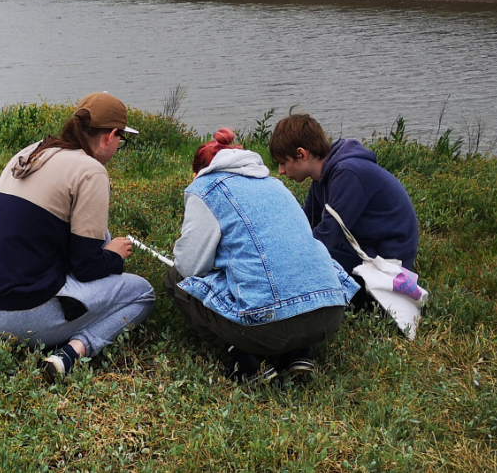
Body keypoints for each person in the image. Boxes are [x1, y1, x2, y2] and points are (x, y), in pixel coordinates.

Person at [0, 92, 155, 382]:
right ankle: (72, 353)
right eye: (121, 139)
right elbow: (86, 267)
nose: (118, 145)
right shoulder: (91, 171)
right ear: (110, 136)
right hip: (24, 318)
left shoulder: (32, 151)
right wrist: (115, 256)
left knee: (100, 235)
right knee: (143, 292)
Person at [164, 129, 360, 382]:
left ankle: (242, 357)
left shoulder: (205, 187)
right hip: (331, 314)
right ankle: (301, 352)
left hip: (269, 328)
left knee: (176, 279)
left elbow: (190, 265)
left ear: (199, 171)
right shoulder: (274, 184)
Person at [268, 113, 420, 307]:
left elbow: (327, 235)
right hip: (363, 248)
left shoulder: (348, 173)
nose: (281, 171)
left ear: (302, 154)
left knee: (310, 271)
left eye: (283, 162)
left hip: (388, 265)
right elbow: (306, 224)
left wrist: (286, 262)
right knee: (307, 264)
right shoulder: (321, 180)